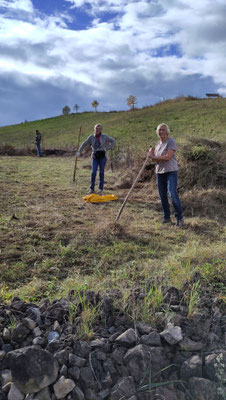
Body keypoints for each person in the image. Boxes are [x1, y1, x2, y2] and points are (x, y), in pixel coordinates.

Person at [149, 123, 184, 227]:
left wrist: (153, 156)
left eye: (163, 130)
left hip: (171, 171)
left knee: (172, 194)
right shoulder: (158, 144)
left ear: (167, 131)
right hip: (159, 172)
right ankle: (167, 217)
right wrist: (151, 155)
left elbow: (167, 157)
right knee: (162, 196)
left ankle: (179, 218)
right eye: (159, 130)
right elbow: (157, 161)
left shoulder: (171, 141)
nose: (161, 132)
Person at [76, 124, 116, 194]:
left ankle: (100, 189)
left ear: (101, 130)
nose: (97, 130)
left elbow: (113, 141)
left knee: (101, 172)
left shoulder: (104, 136)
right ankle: (91, 189)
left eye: (99, 129)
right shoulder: (91, 137)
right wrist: (79, 151)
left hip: (102, 157)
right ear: (94, 129)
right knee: (93, 172)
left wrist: (108, 147)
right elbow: (84, 144)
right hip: (95, 156)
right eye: (96, 129)